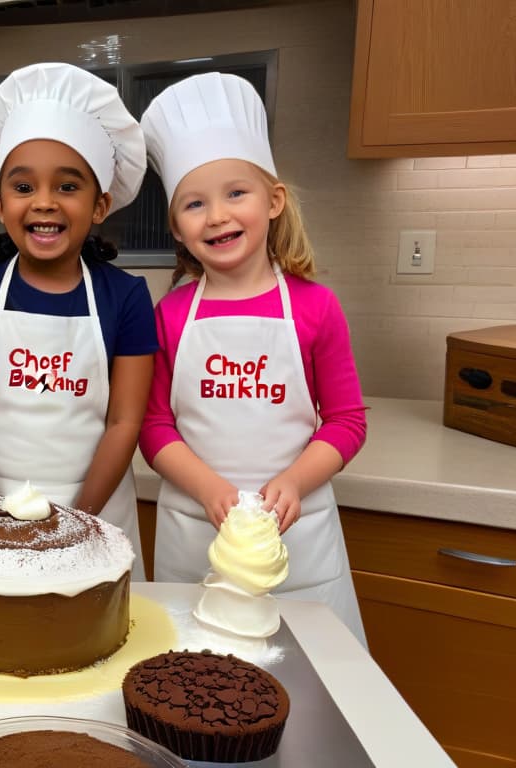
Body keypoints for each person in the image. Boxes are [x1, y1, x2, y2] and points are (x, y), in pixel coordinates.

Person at [138, 72, 368, 642]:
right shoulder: (169, 315)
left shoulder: (316, 308)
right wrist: (210, 490)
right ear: (179, 229)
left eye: (235, 193)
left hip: (299, 535)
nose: (216, 215)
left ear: (274, 201)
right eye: (194, 204)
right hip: (196, 530)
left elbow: (347, 421)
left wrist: (293, 482)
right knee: (196, 686)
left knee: (309, 681)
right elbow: (154, 425)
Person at [0, 62, 158, 578]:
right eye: (23, 187)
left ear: (100, 204)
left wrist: (76, 524)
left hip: (95, 512)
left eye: (67, 186)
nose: (43, 202)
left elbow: (124, 423)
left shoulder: (125, 299)